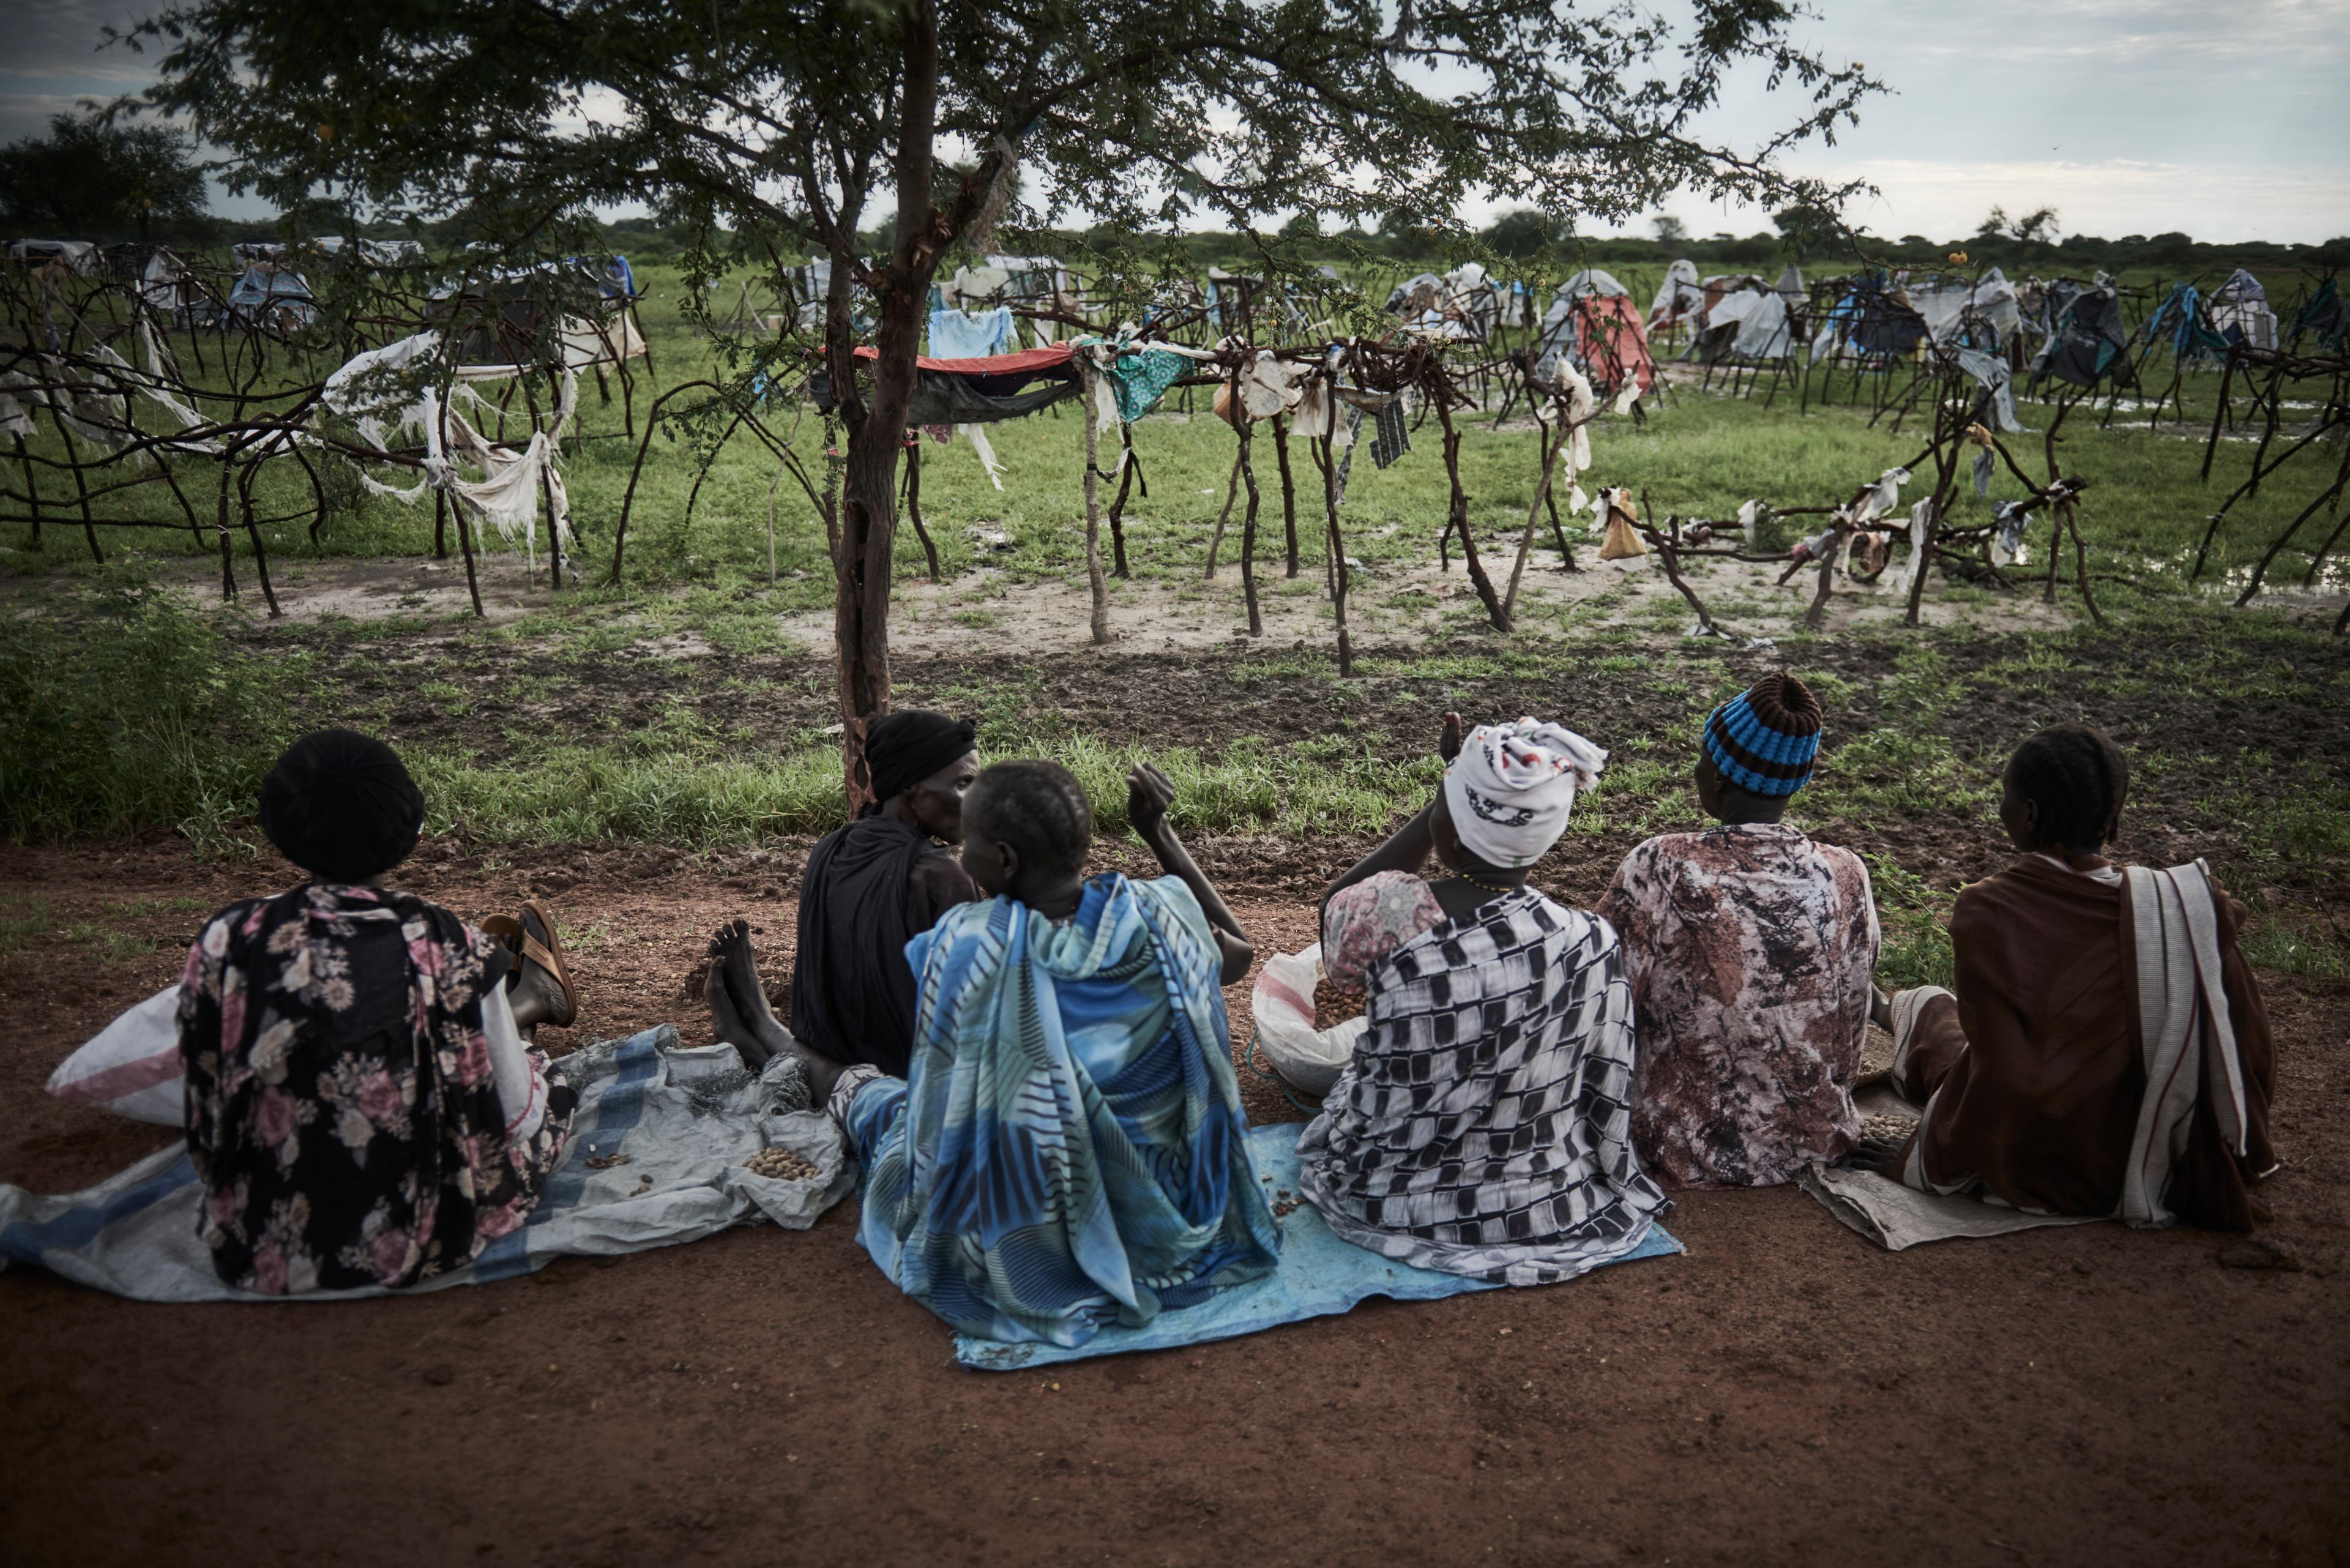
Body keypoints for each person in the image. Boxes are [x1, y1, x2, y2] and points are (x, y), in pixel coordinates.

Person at [709, 760, 1280, 1347]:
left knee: (885, 1106)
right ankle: (772, 1039)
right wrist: (1159, 835)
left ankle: (777, 1042)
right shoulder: (1157, 912)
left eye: (968, 841)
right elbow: (1236, 956)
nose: (959, 853)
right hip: (1174, 1207)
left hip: (1038, 1216)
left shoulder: (971, 943)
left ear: (1004, 860)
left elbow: (940, 1114)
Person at [175, 730, 578, 1295]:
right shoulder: (441, 941)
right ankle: (523, 1009)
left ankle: (523, 1003)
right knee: (550, 1086)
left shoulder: (227, 939)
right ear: (412, 834)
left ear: (277, 832)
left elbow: (206, 1101)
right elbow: (514, 1113)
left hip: (260, 1245)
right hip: (431, 1236)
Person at [1856, 724, 2277, 1229]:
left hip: (2053, 1161)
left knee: (1937, 1016)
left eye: (2006, 797)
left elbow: (2004, 1076)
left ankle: (1892, 1010)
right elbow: (2248, 1044)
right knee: (1938, 1017)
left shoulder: (1989, 909)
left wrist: (1926, 1158)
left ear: (2030, 815)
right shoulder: (2187, 909)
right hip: (2169, 1141)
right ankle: (1893, 1010)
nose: (2002, 809)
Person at [1296, 715, 1669, 1285]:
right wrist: (1457, 798)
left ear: (1444, 829)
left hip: (1388, 1192)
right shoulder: (1586, 938)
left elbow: (1334, 916)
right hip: (1544, 1197)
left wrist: (1441, 800)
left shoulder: (1387, 914)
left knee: (1357, 1084)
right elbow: (1600, 1078)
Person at [1594, 673, 1880, 1187]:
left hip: (1684, 1148)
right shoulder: (1847, 873)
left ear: (1721, 776)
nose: (1699, 767)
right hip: (1814, 1141)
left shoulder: (1662, 865)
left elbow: (1601, 1001)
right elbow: (1852, 1020)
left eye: (1705, 755)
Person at [789, 710, 982, 1078]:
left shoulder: (830, 849)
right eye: (963, 784)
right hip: (911, 1079)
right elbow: (968, 1016)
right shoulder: (941, 879)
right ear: (912, 785)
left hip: (827, 1061)